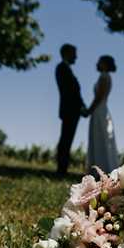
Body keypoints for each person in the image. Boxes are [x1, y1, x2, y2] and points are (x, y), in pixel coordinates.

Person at [55, 44, 87, 176]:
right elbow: (71, 91)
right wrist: (81, 107)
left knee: (67, 139)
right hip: (70, 110)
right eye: (74, 53)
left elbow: (75, 92)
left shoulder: (66, 69)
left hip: (72, 110)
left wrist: (82, 106)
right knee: (66, 139)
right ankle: (61, 169)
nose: (76, 57)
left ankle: (62, 168)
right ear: (67, 53)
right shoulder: (62, 68)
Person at [87, 55, 119, 174]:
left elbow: (99, 97)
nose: (97, 63)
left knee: (101, 139)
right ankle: (101, 169)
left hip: (99, 111)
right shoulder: (105, 76)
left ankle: (103, 169)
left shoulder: (104, 76)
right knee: (101, 139)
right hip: (100, 110)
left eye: (99, 62)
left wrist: (88, 110)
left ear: (104, 64)